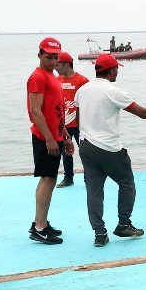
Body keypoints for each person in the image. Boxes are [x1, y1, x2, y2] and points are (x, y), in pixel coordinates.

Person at [75, 53, 146, 247]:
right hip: (109, 147)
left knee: (94, 189)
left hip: (86, 146)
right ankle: (124, 224)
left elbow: (78, 114)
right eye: (116, 68)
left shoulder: (82, 90)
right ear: (111, 71)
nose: (117, 71)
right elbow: (142, 113)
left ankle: (99, 233)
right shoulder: (114, 91)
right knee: (126, 182)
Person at [27, 37, 73, 245]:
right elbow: (35, 111)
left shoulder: (51, 76)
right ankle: (39, 228)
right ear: (39, 55)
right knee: (48, 178)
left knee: (50, 178)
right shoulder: (38, 77)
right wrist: (48, 138)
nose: (53, 61)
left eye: (56, 57)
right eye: (48, 57)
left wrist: (64, 134)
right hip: (45, 137)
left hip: (55, 135)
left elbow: (57, 109)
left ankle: (41, 222)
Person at [56, 52, 89, 188]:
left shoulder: (82, 81)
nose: (55, 67)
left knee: (85, 152)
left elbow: (87, 103)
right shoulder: (57, 81)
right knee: (66, 152)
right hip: (65, 123)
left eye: (58, 65)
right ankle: (68, 178)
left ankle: (89, 178)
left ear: (66, 64)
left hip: (81, 123)